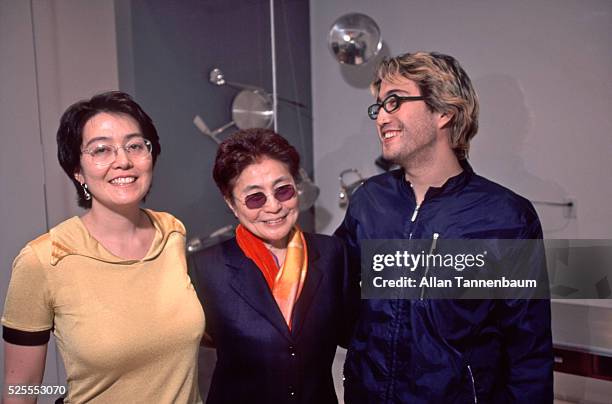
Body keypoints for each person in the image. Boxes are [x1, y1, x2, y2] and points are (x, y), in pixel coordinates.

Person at [335, 52, 553, 403]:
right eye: (378, 107)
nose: (382, 118)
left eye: (394, 102)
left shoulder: (506, 218)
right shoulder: (369, 201)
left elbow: (528, 352)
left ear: (444, 112)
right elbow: (335, 299)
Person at [2, 91, 204, 403]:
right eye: (101, 150)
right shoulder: (42, 260)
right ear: (78, 171)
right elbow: (21, 388)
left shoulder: (172, 233)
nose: (123, 161)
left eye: (135, 146)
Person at [188, 128, 358, 404]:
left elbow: (355, 335)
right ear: (231, 203)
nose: (274, 207)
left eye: (283, 190)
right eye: (255, 197)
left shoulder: (333, 254)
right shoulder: (205, 268)